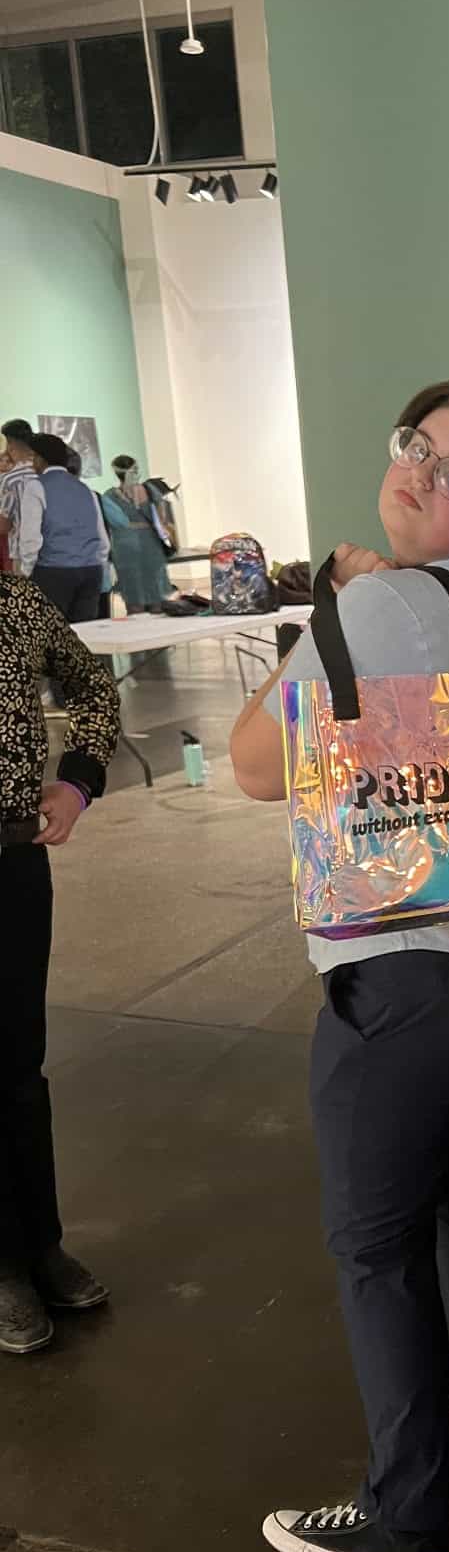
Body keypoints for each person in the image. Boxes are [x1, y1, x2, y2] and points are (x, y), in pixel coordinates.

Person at [230, 377, 449, 1552]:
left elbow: (255, 766)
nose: (420, 472)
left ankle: (405, 1515)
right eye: (418, 445)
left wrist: (332, 600)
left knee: (371, 1239)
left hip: (395, 961)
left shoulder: (379, 607)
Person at [0, 571, 120, 1354]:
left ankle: (39, 1242)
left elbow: (93, 685)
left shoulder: (16, 602)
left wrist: (78, 783)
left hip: (11, 864)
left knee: (19, 1066)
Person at [25, 432, 109, 626]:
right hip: (91, 570)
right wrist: (97, 563)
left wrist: (27, 572)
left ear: (39, 458)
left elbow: (31, 539)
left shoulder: (35, 487)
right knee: (85, 634)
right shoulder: (85, 489)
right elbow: (101, 536)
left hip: (54, 571)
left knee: (53, 635)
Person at [100, 457, 172, 614]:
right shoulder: (152, 491)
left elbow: (117, 523)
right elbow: (163, 520)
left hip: (126, 551)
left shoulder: (109, 497)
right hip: (151, 547)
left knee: (134, 603)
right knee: (157, 601)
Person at [0, 419, 42, 578]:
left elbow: (4, 525)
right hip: (51, 552)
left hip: (23, 553)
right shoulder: (45, 471)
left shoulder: (10, 479)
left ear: (9, 444)